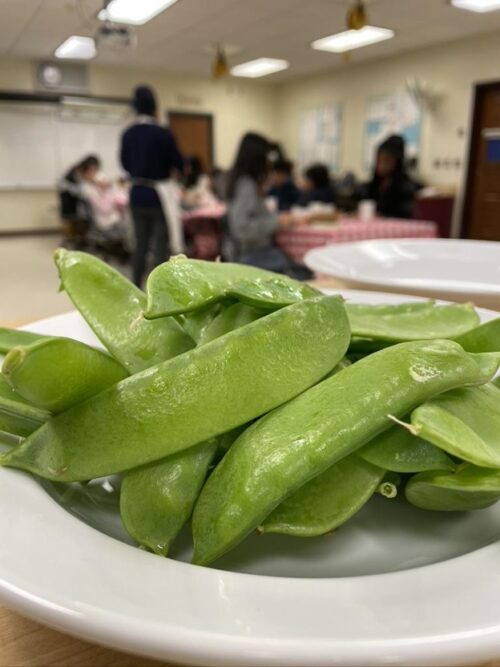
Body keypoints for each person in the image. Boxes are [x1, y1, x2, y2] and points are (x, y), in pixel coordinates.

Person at [120, 85, 184, 286]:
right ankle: (158, 290)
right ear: (155, 106)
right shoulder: (163, 133)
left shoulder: (128, 134)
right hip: (158, 197)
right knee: (160, 248)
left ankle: (135, 285)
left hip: (137, 194)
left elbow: (124, 163)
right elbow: (178, 164)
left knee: (140, 246)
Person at [225, 132, 310, 277]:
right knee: (303, 272)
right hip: (251, 254)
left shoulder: (242, 182)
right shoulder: (247, 185)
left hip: (252, 251)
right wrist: (277, 221)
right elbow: (241, 228)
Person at [360, 134, 419, 219]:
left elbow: (404, 214)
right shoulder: (373, 185)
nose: (381, 165)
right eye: (378, 159)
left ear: (396, 162)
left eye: (386, 160)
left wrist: (382, 216)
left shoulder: (406, 187)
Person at [58, 154, 101, 247]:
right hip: (72, 209)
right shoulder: (72, 176)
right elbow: (79, 192)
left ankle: (86, 240)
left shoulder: (80, 174)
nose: (93, 174)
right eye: (92, 171)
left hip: (79, 207)